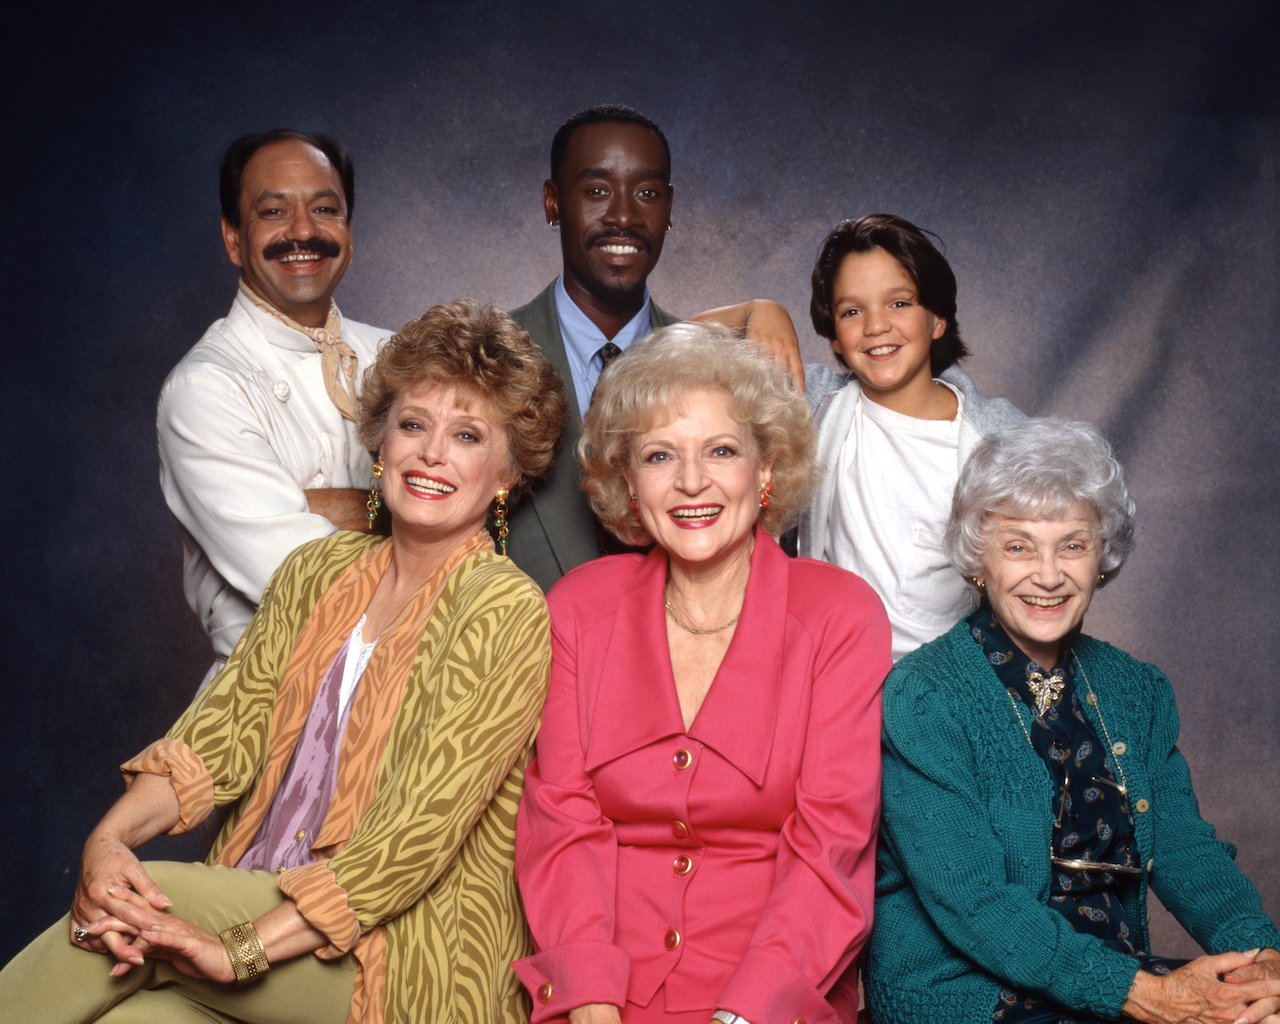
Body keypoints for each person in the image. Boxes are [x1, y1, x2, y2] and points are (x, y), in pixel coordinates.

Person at [0, 302, 568, 1023]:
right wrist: (107, 842)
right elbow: (221, 739)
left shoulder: (504, 610)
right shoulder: (317, 570)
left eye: (467, 436)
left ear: (507, 475)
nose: (431, 453)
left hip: (396, 958)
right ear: (381, 444)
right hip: (254, 890)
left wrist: (239, 949)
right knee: (129, 1015)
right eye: (414, 424)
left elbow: (411, 841)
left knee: (121, 921)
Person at [513, 323, 891, 1023]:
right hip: (603, 995)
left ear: (766, 468)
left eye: (721, 451)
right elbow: (562, 820)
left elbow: (832, 845)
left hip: (770, 998)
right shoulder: (578, 608)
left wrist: (744, 1014)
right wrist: (591, 998)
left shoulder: (839, 615)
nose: (692, 482)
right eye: (660, 456)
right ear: (628, 481)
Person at [867, 418, 1280, 1024]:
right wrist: (1144, 993)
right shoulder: (924, 697)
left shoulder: (1134, 690)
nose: (1049, 574)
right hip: (967, 994)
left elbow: (1184, 847)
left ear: (1102, 557)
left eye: (1072, 545)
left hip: (1113, 977)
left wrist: (1257, 956)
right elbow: (974, 904)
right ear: (978, 557)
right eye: (1018, 546)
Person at [509, 104, 804, 593]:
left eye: (646, 193)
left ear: (669, 207)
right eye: (597, 191)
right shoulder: (485, 359)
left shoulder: (726, 372)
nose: (624, 215)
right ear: (553, 202)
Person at [158, 129, 391, 685]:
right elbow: (300, 579)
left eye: (325, 209)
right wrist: (409, 512)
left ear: (349, 234)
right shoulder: (204, 387)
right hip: (267, 694)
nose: (304, 230)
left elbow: (488, 513)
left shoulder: (398, 353)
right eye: (273, 212)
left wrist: (326, 507)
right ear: (234, 239)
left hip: (408, 682)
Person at [797, 213, 1024, 661]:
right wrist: (759, 312)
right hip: (837, 679)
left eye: (899, 303)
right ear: (835, 338)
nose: (876, 326)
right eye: (851, 311)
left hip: (947, 690)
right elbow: (675, 350)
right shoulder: (816, 404)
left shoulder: (999, 440)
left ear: (937, 320)